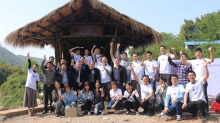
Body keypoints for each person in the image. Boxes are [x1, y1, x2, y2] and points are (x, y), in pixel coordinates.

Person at [185, 47, 214, 114]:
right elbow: (185, 62)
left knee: (204, 94)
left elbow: (212, 60)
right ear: (195, 54)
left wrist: (211, 51)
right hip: (194, 82)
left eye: (199, 52)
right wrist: (182, 56)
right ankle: (196, 110)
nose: (198, 54)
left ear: (201, 53)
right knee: (194, 95)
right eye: (197, 52)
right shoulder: (193, 61)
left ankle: (206, 110)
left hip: (202, 81)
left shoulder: (205, 60)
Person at [23, 52, 40, 116]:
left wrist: (37, 88)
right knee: (29, 98)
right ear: (32, 67)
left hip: (34, 87)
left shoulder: (37, 74)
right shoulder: (29, 71)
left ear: (37, 68)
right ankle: (29, 111)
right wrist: (28, 57)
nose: (34, 67)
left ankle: (33, 110)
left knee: (33, 98)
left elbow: (37, 82)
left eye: (36, 67)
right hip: (28, 86)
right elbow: (29, 64)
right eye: (34, 66)